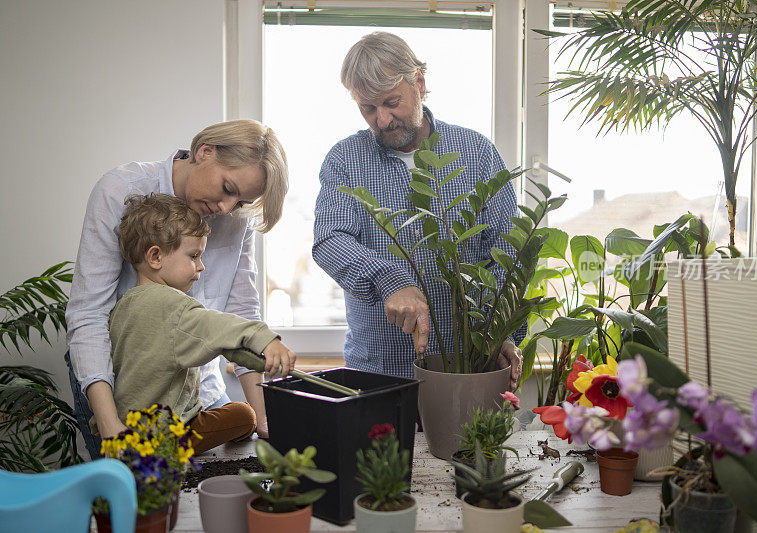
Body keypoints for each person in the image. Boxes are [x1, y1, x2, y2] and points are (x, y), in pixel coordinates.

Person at [66, 119, 293, 458]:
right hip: (117, 389)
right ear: (205, 152)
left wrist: (263, 419)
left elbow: (240, 312)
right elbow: (88, 315)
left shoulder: (235, 219)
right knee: (140, 496)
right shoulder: (119, 191)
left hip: (197, 385)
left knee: (214, 482)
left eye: (242, 201)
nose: (228, 209)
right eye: (228, 189)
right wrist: (111, 424)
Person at [312, 32, 523, 387]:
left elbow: (507, 254)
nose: (381, 119)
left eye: (391, 102)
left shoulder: (478, 153)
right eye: (367, 107)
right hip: (378, 373)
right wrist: (389, 279)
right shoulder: (344, 160)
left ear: (419, 83)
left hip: (470, 370)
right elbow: (330, 241)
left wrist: (500, 328)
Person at [98, 193, 294, 453]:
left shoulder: (123, 306)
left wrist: (250, 359)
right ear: (155, 257)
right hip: (163, 435)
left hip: (127, 427)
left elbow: (213, 342)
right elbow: (218, 326)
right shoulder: (175, 307)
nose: (201, 267)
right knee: (243, 415)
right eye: (193, 256)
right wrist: (264, 339)